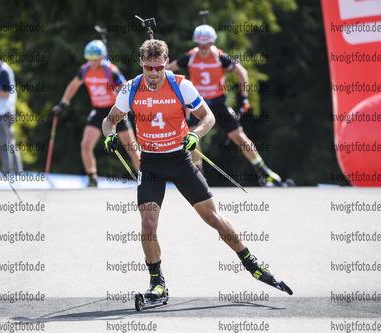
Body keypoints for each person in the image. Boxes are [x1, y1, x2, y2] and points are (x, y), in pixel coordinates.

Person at [102, 39, 290, 300]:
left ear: (166, 64)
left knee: (213, 218)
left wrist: (195, 134)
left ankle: (251, 263)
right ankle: (157, 282)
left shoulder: (181, 85)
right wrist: (109, 135)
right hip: (151, 164)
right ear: (141, 64)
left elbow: (208, 116)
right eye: (148, 68)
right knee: (147, 224)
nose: (153, 74)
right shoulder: (130, 88)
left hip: (180, 160)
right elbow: (109, 121)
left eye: (158, 68)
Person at [167, 24, 286, 186]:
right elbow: (168, 70)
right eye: (200, 45)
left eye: (207, 45)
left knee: (239, 136)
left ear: (212, 43)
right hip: (197, 104)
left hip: (218, 102)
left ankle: (263, 171)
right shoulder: (189, 57)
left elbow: (241, 72)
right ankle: (199, 175)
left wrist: (244, 98)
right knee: (193, 137)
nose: (203, 49)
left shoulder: (220, 57)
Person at [52, 40, 140, 187]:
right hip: (98, 110)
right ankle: (92, 178)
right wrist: (63, 103)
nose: (93, 62)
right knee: (86, 144)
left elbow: (125, 87)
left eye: (96, 59)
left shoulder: (110, 70)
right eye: (90, 59)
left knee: (131, 147)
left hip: (114, 111)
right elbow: (74, 85)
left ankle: (145, 177)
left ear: (102, 57)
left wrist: (129, 106)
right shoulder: (84, 70)